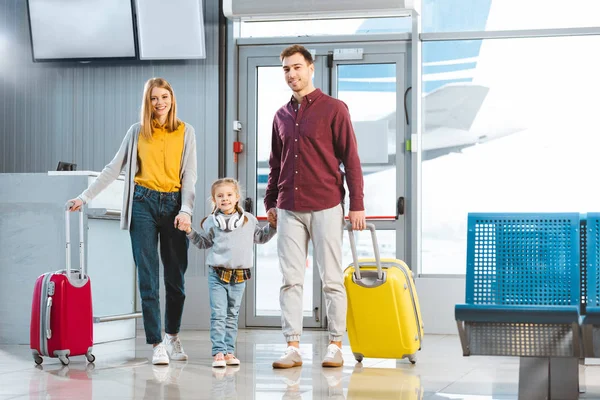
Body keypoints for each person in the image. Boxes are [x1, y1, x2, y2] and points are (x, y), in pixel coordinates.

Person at [67, 77, 197, 366]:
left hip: (174, 204)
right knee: (147, 277)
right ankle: (156, 343)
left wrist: (186, 210)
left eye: (164, 97)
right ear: (147, 102)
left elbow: (190, 175)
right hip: (142, 204)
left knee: (175, 279)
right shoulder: (137, 132)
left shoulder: (185, 132)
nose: (160, 102)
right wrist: (84, 197)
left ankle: (172, 335)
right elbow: (113, 168)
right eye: (154, 98)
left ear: (172, 99)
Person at [265, 44, 366, 369]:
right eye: (286, 69)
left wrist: (357, 205)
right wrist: (270, 202)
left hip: (326, 204)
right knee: (290, 279)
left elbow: (351, 159)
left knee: (332, 279)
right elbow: (276, 164)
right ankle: (292, 346)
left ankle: (336, 344)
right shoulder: (280, 116)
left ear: (311, 68)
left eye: (296, 67)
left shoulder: (334, 109)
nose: (292, 74)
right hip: (289, 206)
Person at [180, 178, 276, 368]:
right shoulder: (210, 222)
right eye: (220, 196)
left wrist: (273, 226)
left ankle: (230, 352)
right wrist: (189, 231)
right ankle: (218, 352)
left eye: (229, 195)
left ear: (237, 197)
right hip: (217, 274)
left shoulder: (249, 220)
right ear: (214, 200)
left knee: (232, 315)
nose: (225, 199)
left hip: (239, 275)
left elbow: (261, 237)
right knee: (218, 314)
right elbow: (203, 243)